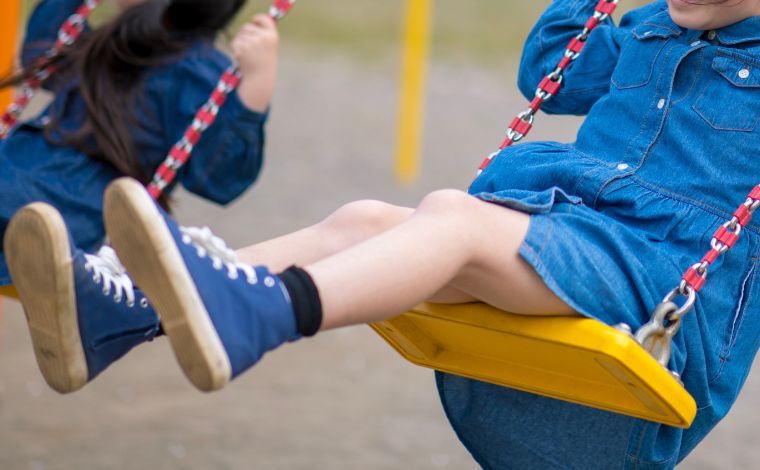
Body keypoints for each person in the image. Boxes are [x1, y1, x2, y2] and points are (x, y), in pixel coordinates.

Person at [11, 0, 760, 468]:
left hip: (657, 288)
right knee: (365, 219)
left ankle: (262, 313)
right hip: (572, 238)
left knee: (455, 218)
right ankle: (131, 310)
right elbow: (551, 72)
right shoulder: (651, 27)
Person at [1, 0, 280, 393]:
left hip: (61, 208)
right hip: (21, 179)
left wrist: (255, 88)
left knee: (32, 224)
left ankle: (68, 279)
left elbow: (219, 178)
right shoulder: (109, 40)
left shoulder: (200, 74)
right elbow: (42, 52)